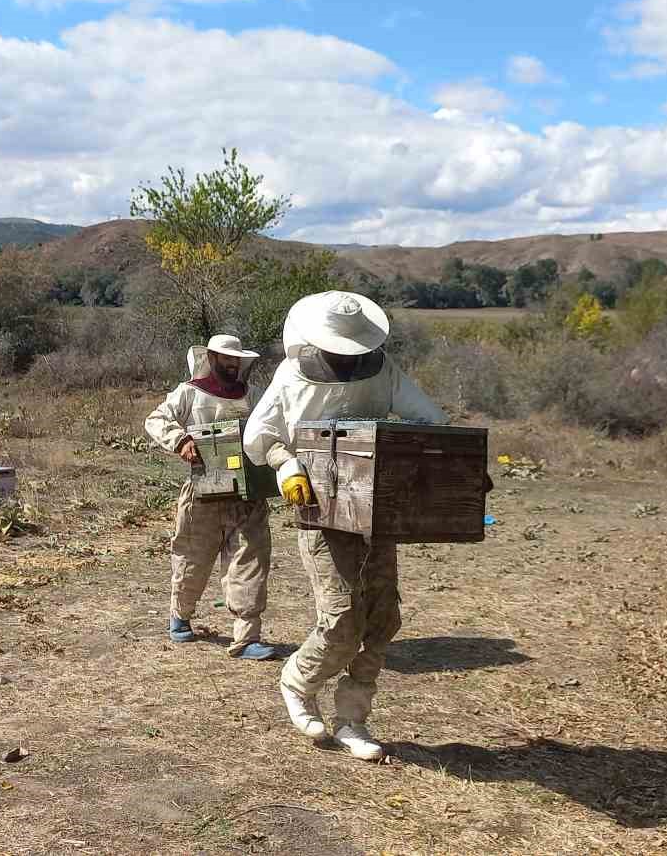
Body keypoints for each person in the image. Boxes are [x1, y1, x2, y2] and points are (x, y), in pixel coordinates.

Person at [244, 290, 486, 761]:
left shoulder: (383, 367)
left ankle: (353, 718)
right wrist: (285, 463)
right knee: (340, 619)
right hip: (320, 510)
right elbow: (259, 435)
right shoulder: (292, 374)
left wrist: (437, 463)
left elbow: (428, 418)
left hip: (376, 511)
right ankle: (298, 681)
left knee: (381, 619)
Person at [143, 333, 278, 661]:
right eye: (225, 358)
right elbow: (157, 419)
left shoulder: (255, 395)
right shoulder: (189, 393)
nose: (232, 364)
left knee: (250, 560)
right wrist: (180, 440)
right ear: (212, 358)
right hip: (204, 492)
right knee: (192, 556)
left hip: (249, 493)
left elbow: (273, 426)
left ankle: (247, 638)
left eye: (236, 359)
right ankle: (180, 617)